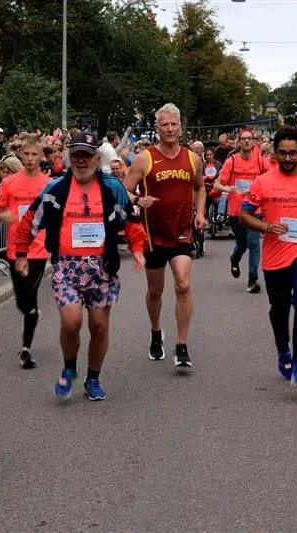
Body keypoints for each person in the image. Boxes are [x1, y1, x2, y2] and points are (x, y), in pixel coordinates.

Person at [14, 131, 147, 400]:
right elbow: (29, 220)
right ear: (69, 158)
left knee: (98, 325)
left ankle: (93, 378)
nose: (82, 161)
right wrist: (20, 254)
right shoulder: (56, 189)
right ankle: (69, 368)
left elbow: (130, 219)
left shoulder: (112, 188)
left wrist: (138, 249)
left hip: (102, 266)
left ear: (97, 158)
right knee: (72, 321)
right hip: (67, 267)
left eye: (87, 155)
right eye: (76, 155)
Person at [239, 127, 297, 386]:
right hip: (274, 256)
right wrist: (266, 227)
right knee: (279, 309)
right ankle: (283, 351)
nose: (288, 158)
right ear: (274, 154)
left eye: (293, 153)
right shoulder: (263, 182)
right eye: (283, 153)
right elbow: (244, 215)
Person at [123, 103, 206, 368]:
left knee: (183, 284)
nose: (170, 129)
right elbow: (122, 190)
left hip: (181, 233)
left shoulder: (192, 159)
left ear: (181, 127)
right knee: (155, 290)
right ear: (157, 128)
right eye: (165, 125)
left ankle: (182, 345)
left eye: (174, 124)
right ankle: (156, 332)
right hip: (153, 235)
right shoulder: (145, 158)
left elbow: (200, 187)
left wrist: (200, 213)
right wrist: (138, 199)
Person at [0, 135, 51, 369]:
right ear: (20, 155)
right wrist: (4, 216)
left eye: (34, 154)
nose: (30, 158)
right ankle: (32, 311)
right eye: (26, 154)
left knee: (30, 290)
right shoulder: (9, 183)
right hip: (14, 248)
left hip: (37, 249)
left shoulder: (48, 184)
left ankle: (26, 349)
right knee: (22, 300)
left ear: (41, 156)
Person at [214, 129, 266, 293]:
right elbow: (217, 184)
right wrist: (227, 188)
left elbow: (269, 180)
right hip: (236, 210)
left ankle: (252, 279)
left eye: (249, 139)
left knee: (254, 243)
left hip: (254, 209)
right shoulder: (232, 162)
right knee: (242, 244)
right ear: (238, 142)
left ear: (254, 142)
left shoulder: (260, 161)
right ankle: (234, 258)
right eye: (243, 139)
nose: (246, 142)